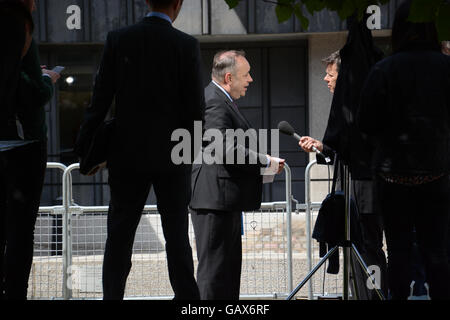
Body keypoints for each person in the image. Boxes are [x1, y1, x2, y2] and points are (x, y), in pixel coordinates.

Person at [74, 0, 204, 300]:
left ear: (147, 1)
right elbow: (196, 109)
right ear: (178, 4)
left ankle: (112, 297)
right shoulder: (186, 44)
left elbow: (100, 99)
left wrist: (84, 147)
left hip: (126, 154)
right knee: (177, 235)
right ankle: (188, 301)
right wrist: (189, 152)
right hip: (173, 155)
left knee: (119, 234)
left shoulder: (118, 39)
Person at [357, 0, 450, 299]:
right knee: (437, 252)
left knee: (397, 252)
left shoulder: (383, 69)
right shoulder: (445, 67)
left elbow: (365, 122)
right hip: (437, 171)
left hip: (392, 175)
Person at [298, 16, 388, 300]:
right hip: (354, 184)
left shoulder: (362, 101)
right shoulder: (346, 106)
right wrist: (323, 147)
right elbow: (342, 144)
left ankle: (375, 294)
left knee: (370, 245)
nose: (325, 78)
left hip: (368, 185)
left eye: (331, 74)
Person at [189, 50, 285, 300]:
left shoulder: (220, 99)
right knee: (214, 275)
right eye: (247, 75)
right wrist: (266, 162)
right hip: (214, 202)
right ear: (229, 78)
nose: (251, 79)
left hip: (223, 201)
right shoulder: (213, 100)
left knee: (227, 275)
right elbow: (224, 148)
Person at [0, 0, 36, 300]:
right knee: (20, 234)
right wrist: (46, 83)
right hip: (16, 143)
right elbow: (27, 92)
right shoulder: (16, 21)